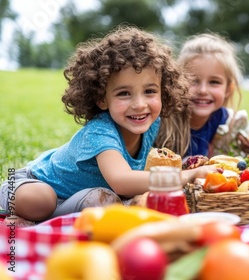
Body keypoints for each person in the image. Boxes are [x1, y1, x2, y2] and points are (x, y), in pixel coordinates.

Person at [0, 26, 217, 222]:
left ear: (164, 91)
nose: (140, 104)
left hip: (82, 195)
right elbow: (122, 180)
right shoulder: (100, 130)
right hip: (32, 184)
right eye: (124, 93)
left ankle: (51, 218)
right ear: (102, 99)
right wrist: (185, 176)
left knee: (104, 201)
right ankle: (33, 215)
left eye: (150, 91)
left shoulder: (151, 123)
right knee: (43, 201)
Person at [157, 33, 249, 158]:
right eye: (193, 80)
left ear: (229, 89)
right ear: (178, 82)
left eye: (214, 82)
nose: (203, 90)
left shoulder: (233, 125)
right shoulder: (164, 122)